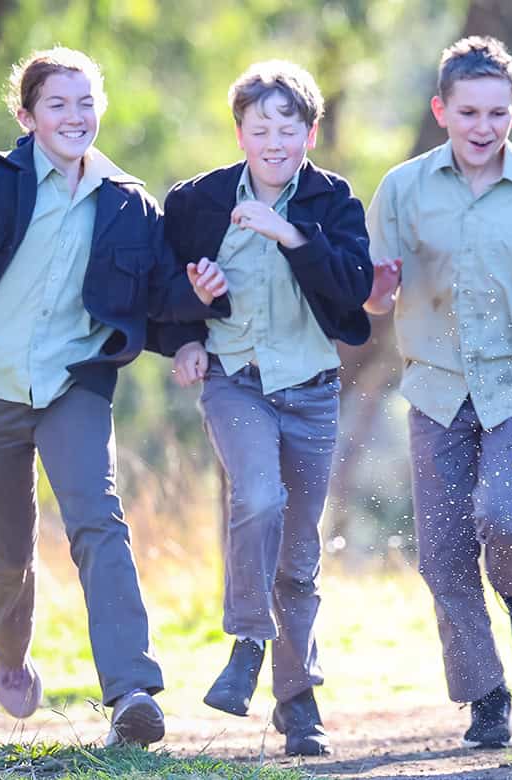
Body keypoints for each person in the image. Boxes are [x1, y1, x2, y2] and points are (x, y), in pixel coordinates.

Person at [0, 47, 228, 746]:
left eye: (85, 103)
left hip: (72, 383)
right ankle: (8, 650)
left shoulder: (128, 203)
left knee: (98, 522)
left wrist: (196, 306)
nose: (74, 116)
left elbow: (159, 295)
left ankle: (132, 692)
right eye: (57, 104)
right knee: (8, 548)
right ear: (27, 117)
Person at [363, 35, 512, 749]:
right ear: (441, 111)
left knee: (508, 517)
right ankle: (487, 696)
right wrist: (379, 288)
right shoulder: (402, 188)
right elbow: (375, 293)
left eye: (496, 113)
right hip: (435, 385)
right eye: (467, 113)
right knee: (443, 555)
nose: (482, 127)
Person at [154, 61, 372, 757]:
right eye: (260, 128)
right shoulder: (199, 201)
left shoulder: (333, 202)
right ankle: (248, 639)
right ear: (240, 133)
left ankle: (298, 702)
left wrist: (290, 234)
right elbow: (166, 288)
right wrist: (188, 333)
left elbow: (353, 289)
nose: (274, 141)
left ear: (311, 133)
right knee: (256, 495)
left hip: (311, 392)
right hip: (235, 381)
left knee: (299, 557)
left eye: (288, 127)